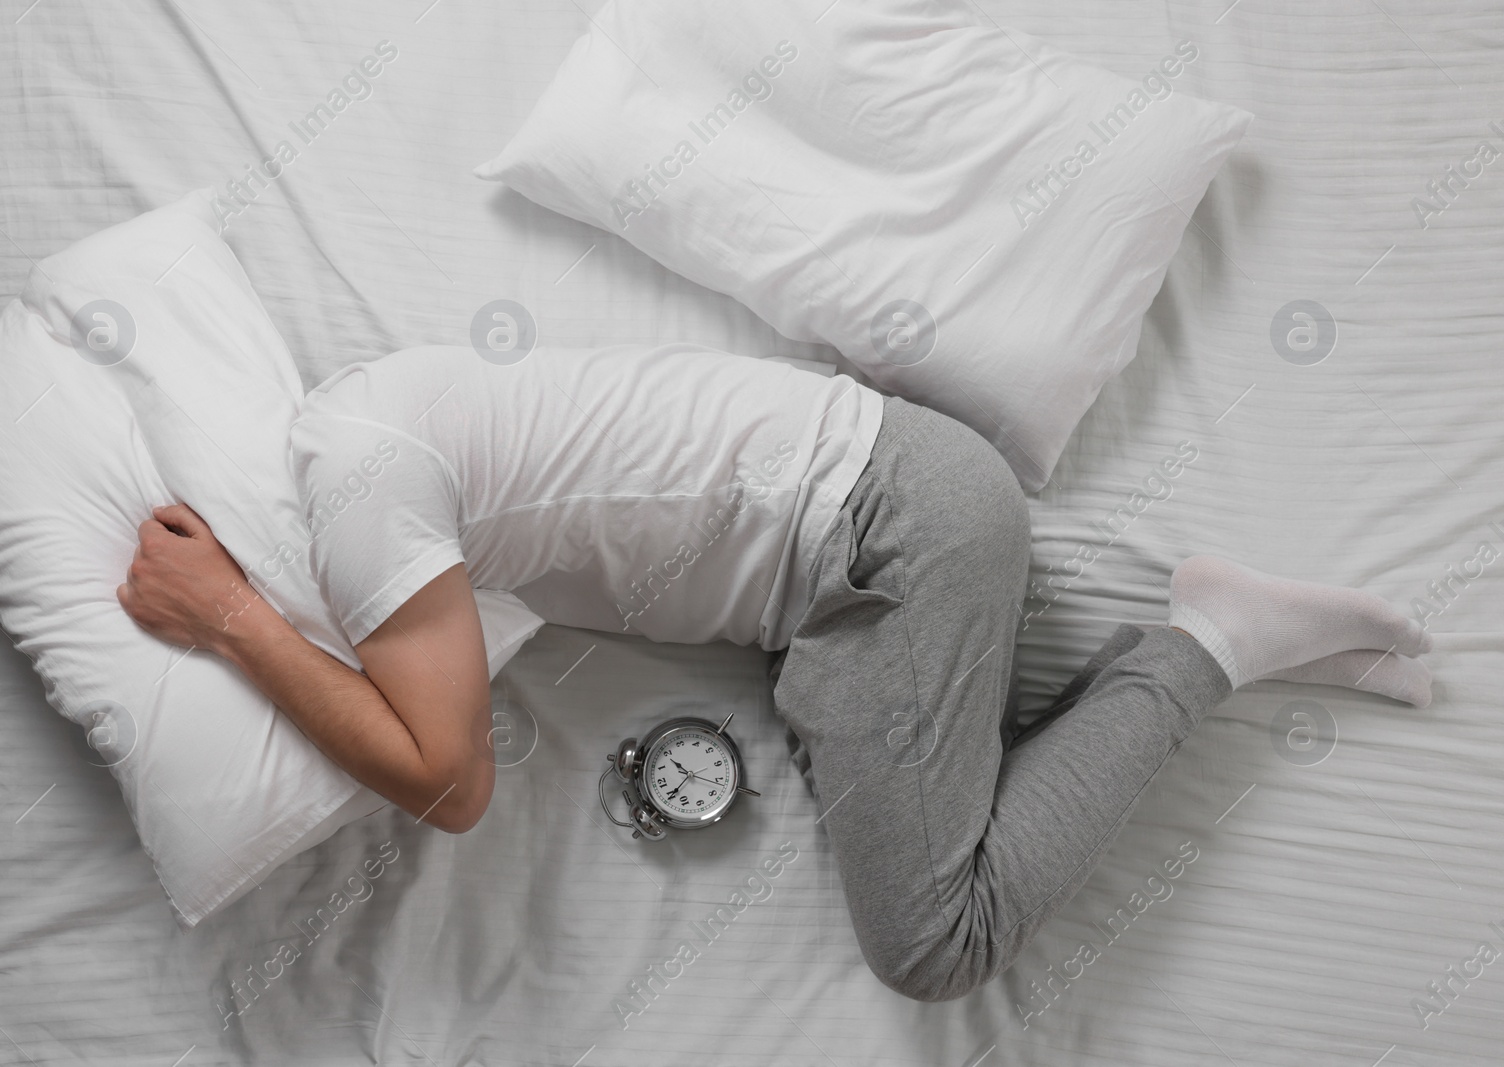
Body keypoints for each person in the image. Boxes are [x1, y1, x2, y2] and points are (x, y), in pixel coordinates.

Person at [117, 343, 1433, 1001]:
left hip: (885, 539)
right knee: (892, 808)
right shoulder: (373, 410)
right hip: (858, 549)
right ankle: (1150, 673)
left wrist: (231, 619)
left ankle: (1209, 644)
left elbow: (448, 781)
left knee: (935, 948)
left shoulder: (354, 488)